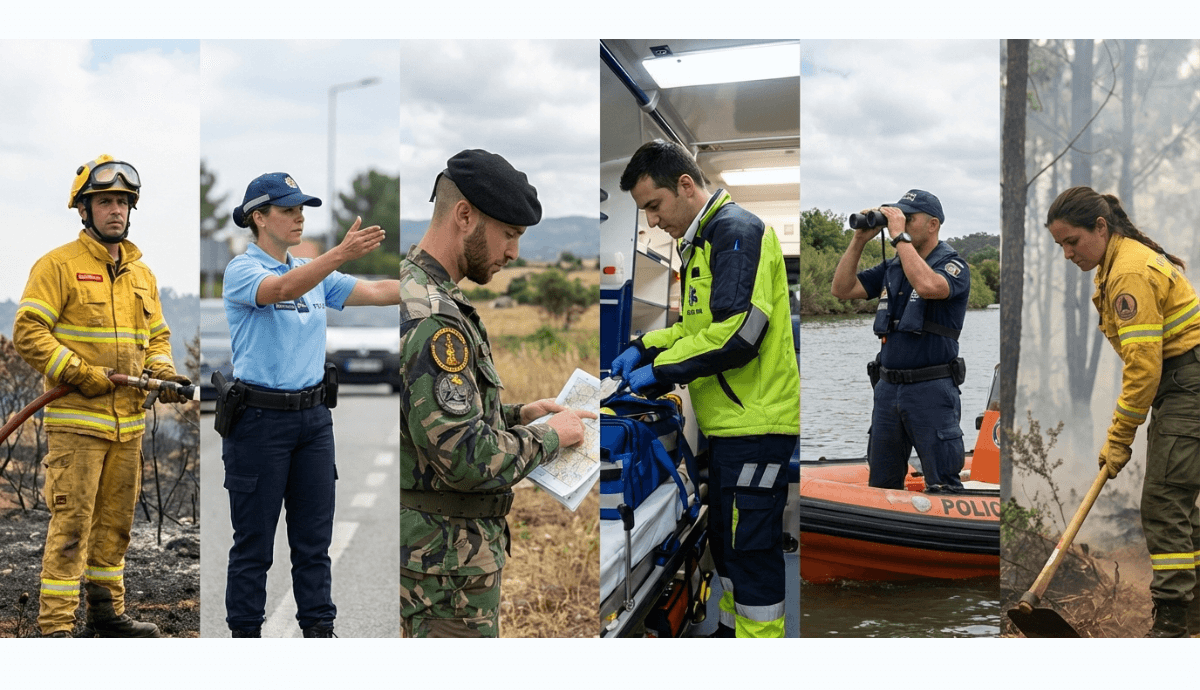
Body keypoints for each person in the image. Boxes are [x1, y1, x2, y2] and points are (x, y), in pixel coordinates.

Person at [399, 149, 594, 638]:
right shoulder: (435, 319)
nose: (514, 253)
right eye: (509, 233)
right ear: (465, 216)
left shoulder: (421, 291)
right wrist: (551, 435)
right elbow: (465, 458)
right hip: (445, 574)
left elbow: (428, 421)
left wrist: (517, 415)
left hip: (442, 563)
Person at [610, 140, 799, 638]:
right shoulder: (701, 243)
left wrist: (662, 372)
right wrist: (645, 346)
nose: (653, 222)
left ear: (685, 185)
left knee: (750, 551)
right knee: (728, 544)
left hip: (757, 424)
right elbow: (697, 329)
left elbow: (740, 333)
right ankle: (732, 632)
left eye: (655, 206)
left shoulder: (736, 232)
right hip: (731, 427)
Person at [13, 155, 191, 637]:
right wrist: (79, 372)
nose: (116, 210)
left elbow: (157, 336)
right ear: (84, 210)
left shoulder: (141, 275)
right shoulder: (58, 266)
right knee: (72, 525)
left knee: (115, 525)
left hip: (127, 426)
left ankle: (106, 614)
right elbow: (29, 332)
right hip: (77, 425)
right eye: (106, 201)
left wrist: (162, 372)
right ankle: (56, 628)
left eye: (123, 202)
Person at [220, 172, 400, 638]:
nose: (299, 217)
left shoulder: (314, 272)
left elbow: (377, 292)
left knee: (314, 543)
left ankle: (320, 633)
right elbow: (281, 290)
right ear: (259, 218)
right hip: (259, 422)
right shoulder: (243, 270)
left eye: (302, 209)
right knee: (254, 546)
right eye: (288, 209)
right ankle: (245, 639)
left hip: (313, 422)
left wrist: (437, 284)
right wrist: (338, 253)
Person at [1046, 186, 1200, 638]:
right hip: (1182, 385)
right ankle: (1193, 618)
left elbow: (1144, 367)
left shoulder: (1128, 272)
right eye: (1060, 245)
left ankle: (1171, 628)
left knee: (1164, 505)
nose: (1068, 253)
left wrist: (1118, 438)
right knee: (1180, 509)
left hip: (1186, 385)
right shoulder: (1116, 264)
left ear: (1100, 227)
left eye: (1072, 241)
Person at [831, 190, 970, 494]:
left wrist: (899, 238)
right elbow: (841, 289)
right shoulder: (894, 267)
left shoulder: (953, 265)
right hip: (887, 390)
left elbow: (929, 285)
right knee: (881, 484)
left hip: (931, 390)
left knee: (943, 485)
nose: (901, 223)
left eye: (909, 218)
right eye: (898, 217)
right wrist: (859, 240)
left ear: (933, 225)